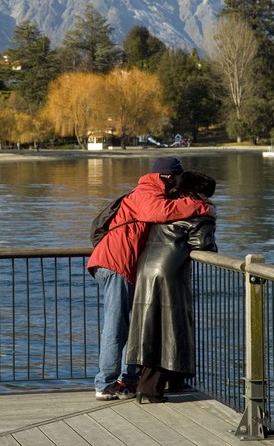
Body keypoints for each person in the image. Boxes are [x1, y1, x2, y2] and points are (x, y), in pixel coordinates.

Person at [87, 157, 216, 401]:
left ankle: (128, 380)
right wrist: (202, 207)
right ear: (169, 177)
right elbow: (160, 212)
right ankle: (105, 383)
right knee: (116, 326)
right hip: (116, 263)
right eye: (178, 178)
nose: (179, 184)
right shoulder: (146, 192)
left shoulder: (150, 191)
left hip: (122, 263)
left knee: (132, 324)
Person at [125, 171, 218, 404]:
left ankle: (147, 384)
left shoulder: (168, 208)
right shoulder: (199, 212)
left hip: (146, 269)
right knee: (169, 328)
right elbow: (203, 245)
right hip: (169, 272)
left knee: (149, 326)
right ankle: (153, 388)